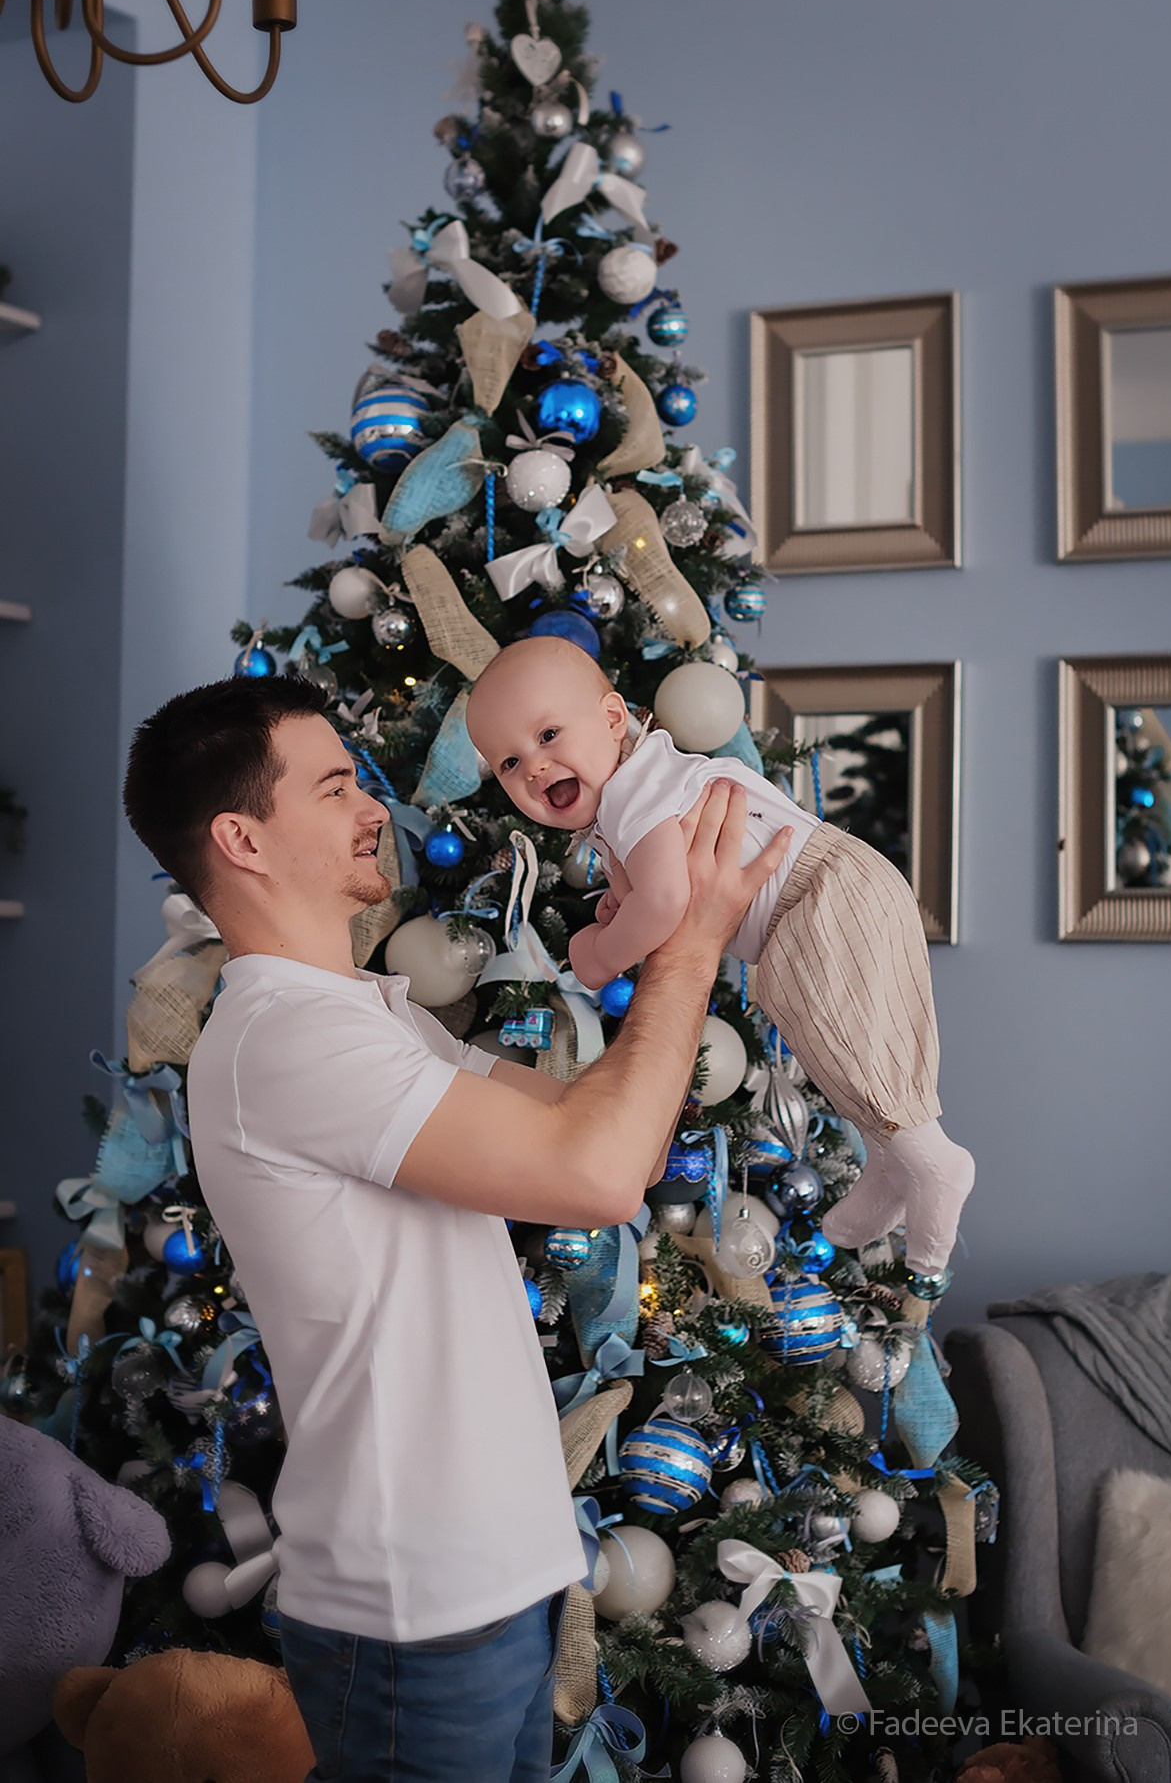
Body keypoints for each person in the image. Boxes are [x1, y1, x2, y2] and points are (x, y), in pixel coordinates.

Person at [122, 673, 790, 1783]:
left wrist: (655, 908)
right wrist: (688, 944)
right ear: (241, 838)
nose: (374, 805)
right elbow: (600, 1174)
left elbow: (590, 1117)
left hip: (500, 1586)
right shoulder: (286, 1041)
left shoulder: (368, 1016)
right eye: (335, 786)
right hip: (413, 1616)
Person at [466, 638, 976, 1295]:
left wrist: (599, 952)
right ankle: (890, 1161)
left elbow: (670, 901)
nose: (535, 767)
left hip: (819, 895)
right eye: (511, 761)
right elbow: (667, 889)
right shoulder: (642, 787)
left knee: (848, 1039)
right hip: (831, 891)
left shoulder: (634, 792)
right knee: (837, 1044)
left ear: (614, 720)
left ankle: (932, 1161)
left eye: (549, 734)